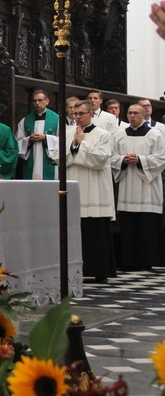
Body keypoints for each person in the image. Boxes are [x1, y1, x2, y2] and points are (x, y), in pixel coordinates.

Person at [52, 100, 116, 282]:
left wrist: (81, 145)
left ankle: (99, 270)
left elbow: (100, 160)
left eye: (81, 113)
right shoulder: (67, 133)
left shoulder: (103, 134)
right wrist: (73, 145)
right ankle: (74, 269)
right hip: (74, 186)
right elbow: (57, 157)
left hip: (95, 190)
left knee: (95, 231)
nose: (78, 117)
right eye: (75, 113)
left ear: (91, 114)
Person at [111, 104, 165, 270]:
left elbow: (161, 158)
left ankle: (148, 260)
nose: (132, 116)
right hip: (128, 185)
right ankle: (129, 260)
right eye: (130, 113)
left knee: (146, 224)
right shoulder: (119, 135)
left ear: (143, 115)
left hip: (147, 187)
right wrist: (123, 160)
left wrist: (140, 160)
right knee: (128, 223)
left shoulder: (155, 135)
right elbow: (111, 157)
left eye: (136, 113)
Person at [15, 89, 59, 180]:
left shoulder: (57, 120)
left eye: (40, 100)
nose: (37, 103)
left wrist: (46, 138)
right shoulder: (25, 121)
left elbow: (64, 141)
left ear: (47, 101)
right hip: (32, 161)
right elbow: (17, 142)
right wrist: (28, 140)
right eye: (34, 101)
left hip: (49, 162)